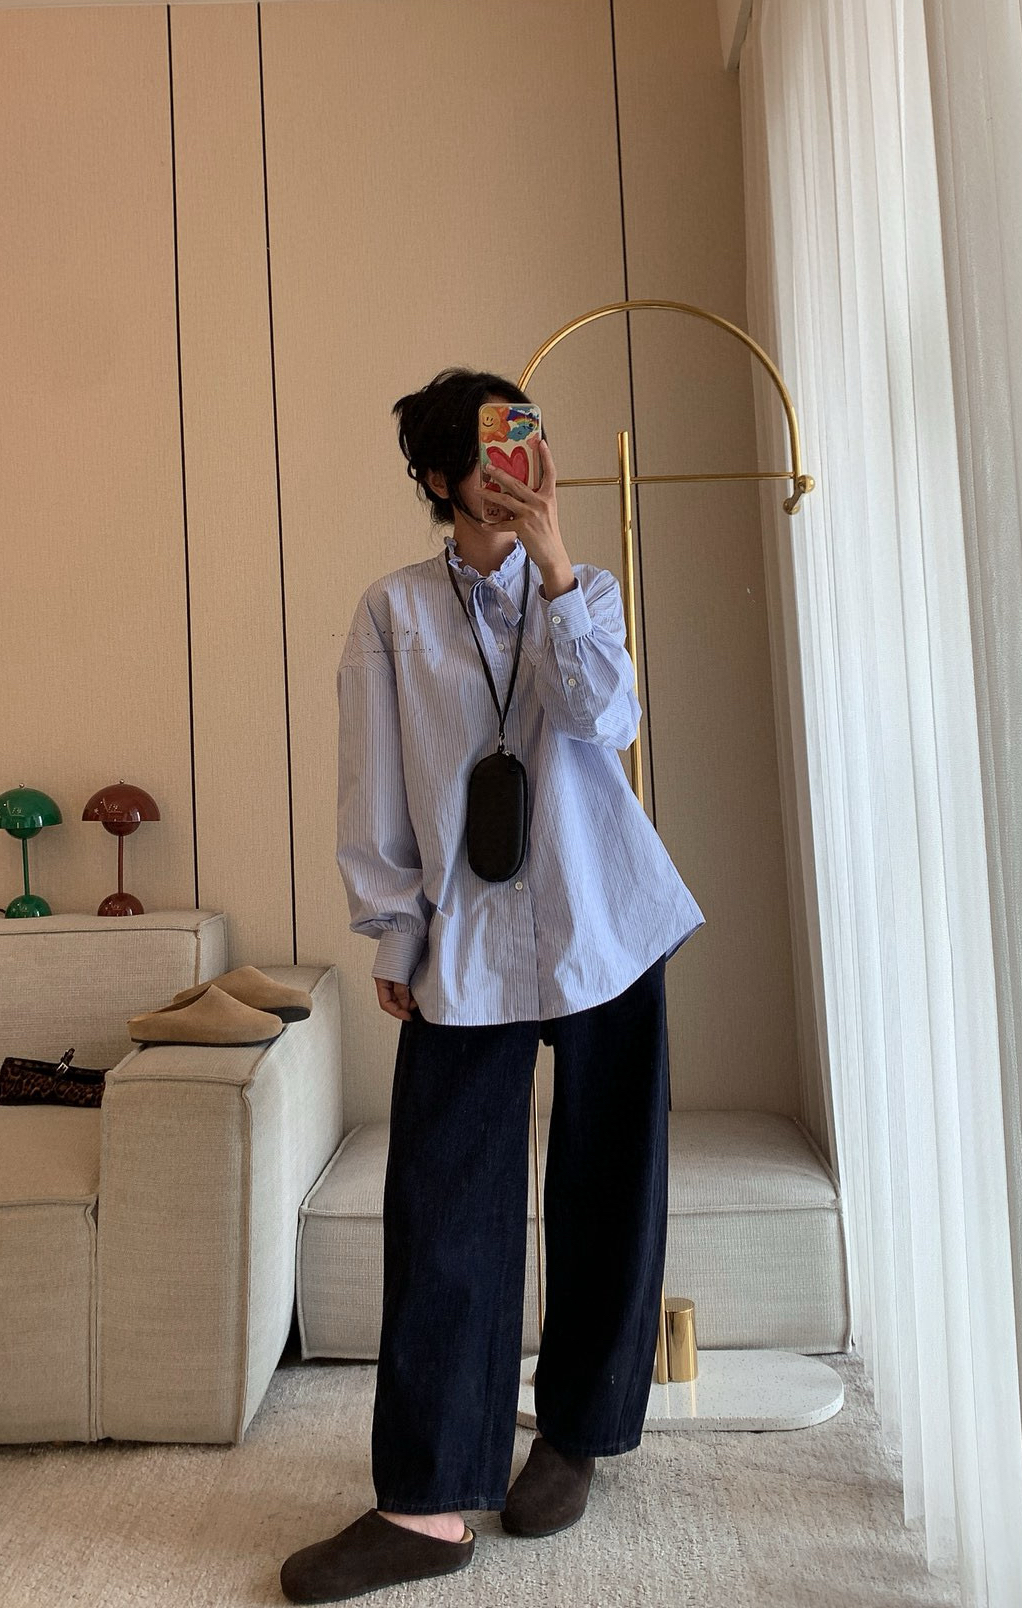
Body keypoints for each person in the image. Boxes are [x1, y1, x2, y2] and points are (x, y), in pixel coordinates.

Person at [279, 367, 705, 1604]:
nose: (517, 464)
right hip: (467, 938)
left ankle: (576, 1436)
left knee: (608, 1187)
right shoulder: (393, 613)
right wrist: (394, 935)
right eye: (489, 450)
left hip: (603, 922)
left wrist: (556, 563)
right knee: (442, 1209)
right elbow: (371, 789)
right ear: (436, 478)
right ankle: (424, 1504)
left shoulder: (585, 591)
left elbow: (608, 718)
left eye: (528, 438)